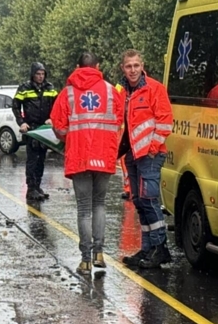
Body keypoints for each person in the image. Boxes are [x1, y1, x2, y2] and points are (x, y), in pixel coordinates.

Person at [50, 52, 124, 275]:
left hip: (80, 156)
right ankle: (99, 253)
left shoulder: (68, 93)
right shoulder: (111, 91)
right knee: (99, 204)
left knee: (84, 210)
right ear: (98, 66)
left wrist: (71, 137)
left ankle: (85, 260)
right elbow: (119, 120)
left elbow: (59, 126)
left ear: (77, 66)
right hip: (104, 154)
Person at [117, 49, 174, 269]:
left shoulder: (155, 89)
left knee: (149, 200)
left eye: (136, 66)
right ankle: (148, 248)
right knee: (140, 201)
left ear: (142, 66)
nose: (132, 70)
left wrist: (152, 147)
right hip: (132, 154)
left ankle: (160, 248)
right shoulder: (122, 92)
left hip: (150, 154)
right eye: (128, 66)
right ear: (123, 68)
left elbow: (165, 121)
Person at [12, 62, 58, 201]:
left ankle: (38, 186)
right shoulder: (24, 88)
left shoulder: (50, 88)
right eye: (38, 74)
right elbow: (15, 106)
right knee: (32, 159)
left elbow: (57, 106)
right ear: (33, 74)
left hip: (45, 128)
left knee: (41, 159)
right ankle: (31, 188)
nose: (40, 77)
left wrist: (52, 118)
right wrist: (22, 122)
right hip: (31, 128)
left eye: (43, 74)